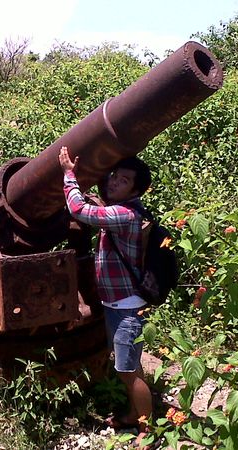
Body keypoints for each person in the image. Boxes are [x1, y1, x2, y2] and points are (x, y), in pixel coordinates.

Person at [59, 145, 153, 437]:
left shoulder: (126, 215)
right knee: (128, 367)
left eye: (123, 180)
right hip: (117, 304)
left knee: (128, 371)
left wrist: (68, 175)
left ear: (135, 191)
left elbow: (80, 210)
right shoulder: (124, 208)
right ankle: (132, 414)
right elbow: (102, 197)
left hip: (127, 309)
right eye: (114, 176)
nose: (114, 182)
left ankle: (146, 430)